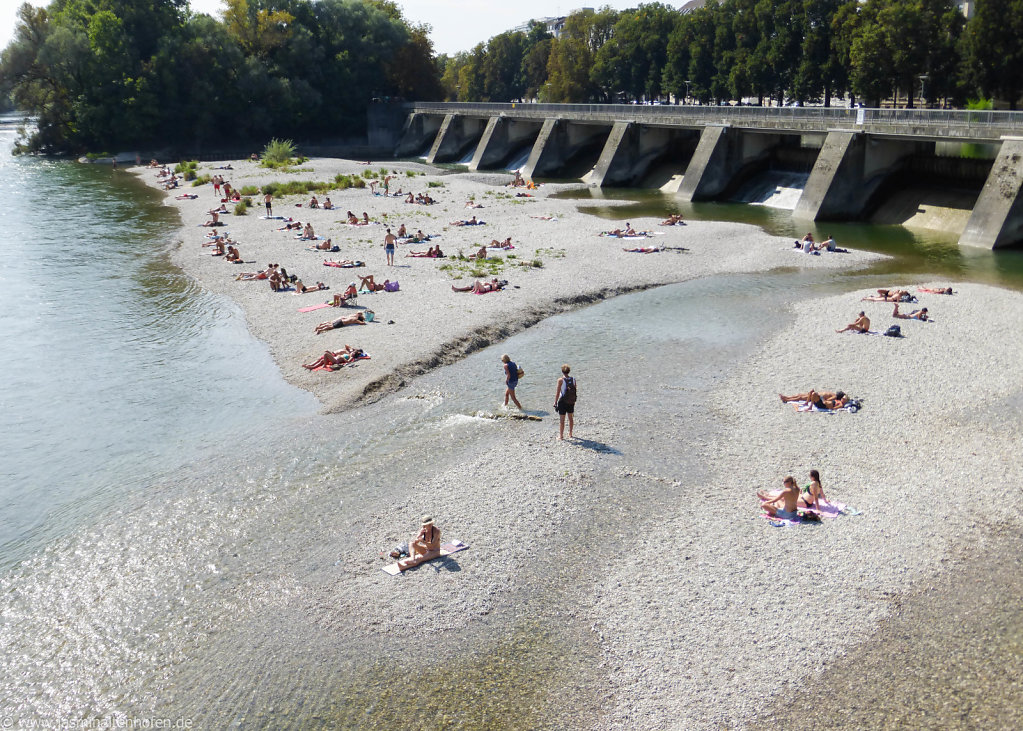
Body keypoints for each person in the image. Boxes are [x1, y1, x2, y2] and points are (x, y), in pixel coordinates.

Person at [301, 344, 366, 370]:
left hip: (336, 360)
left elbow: (348, 362)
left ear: (355, 354)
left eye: (354, 352)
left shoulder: (351, 357)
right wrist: (352, 349)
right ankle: (312, 366)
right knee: (321, 360)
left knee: (326, 354)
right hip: (335, 358)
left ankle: (325, 365)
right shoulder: (349, 353)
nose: (352, 351)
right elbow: (346, 345)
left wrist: (343, 358)